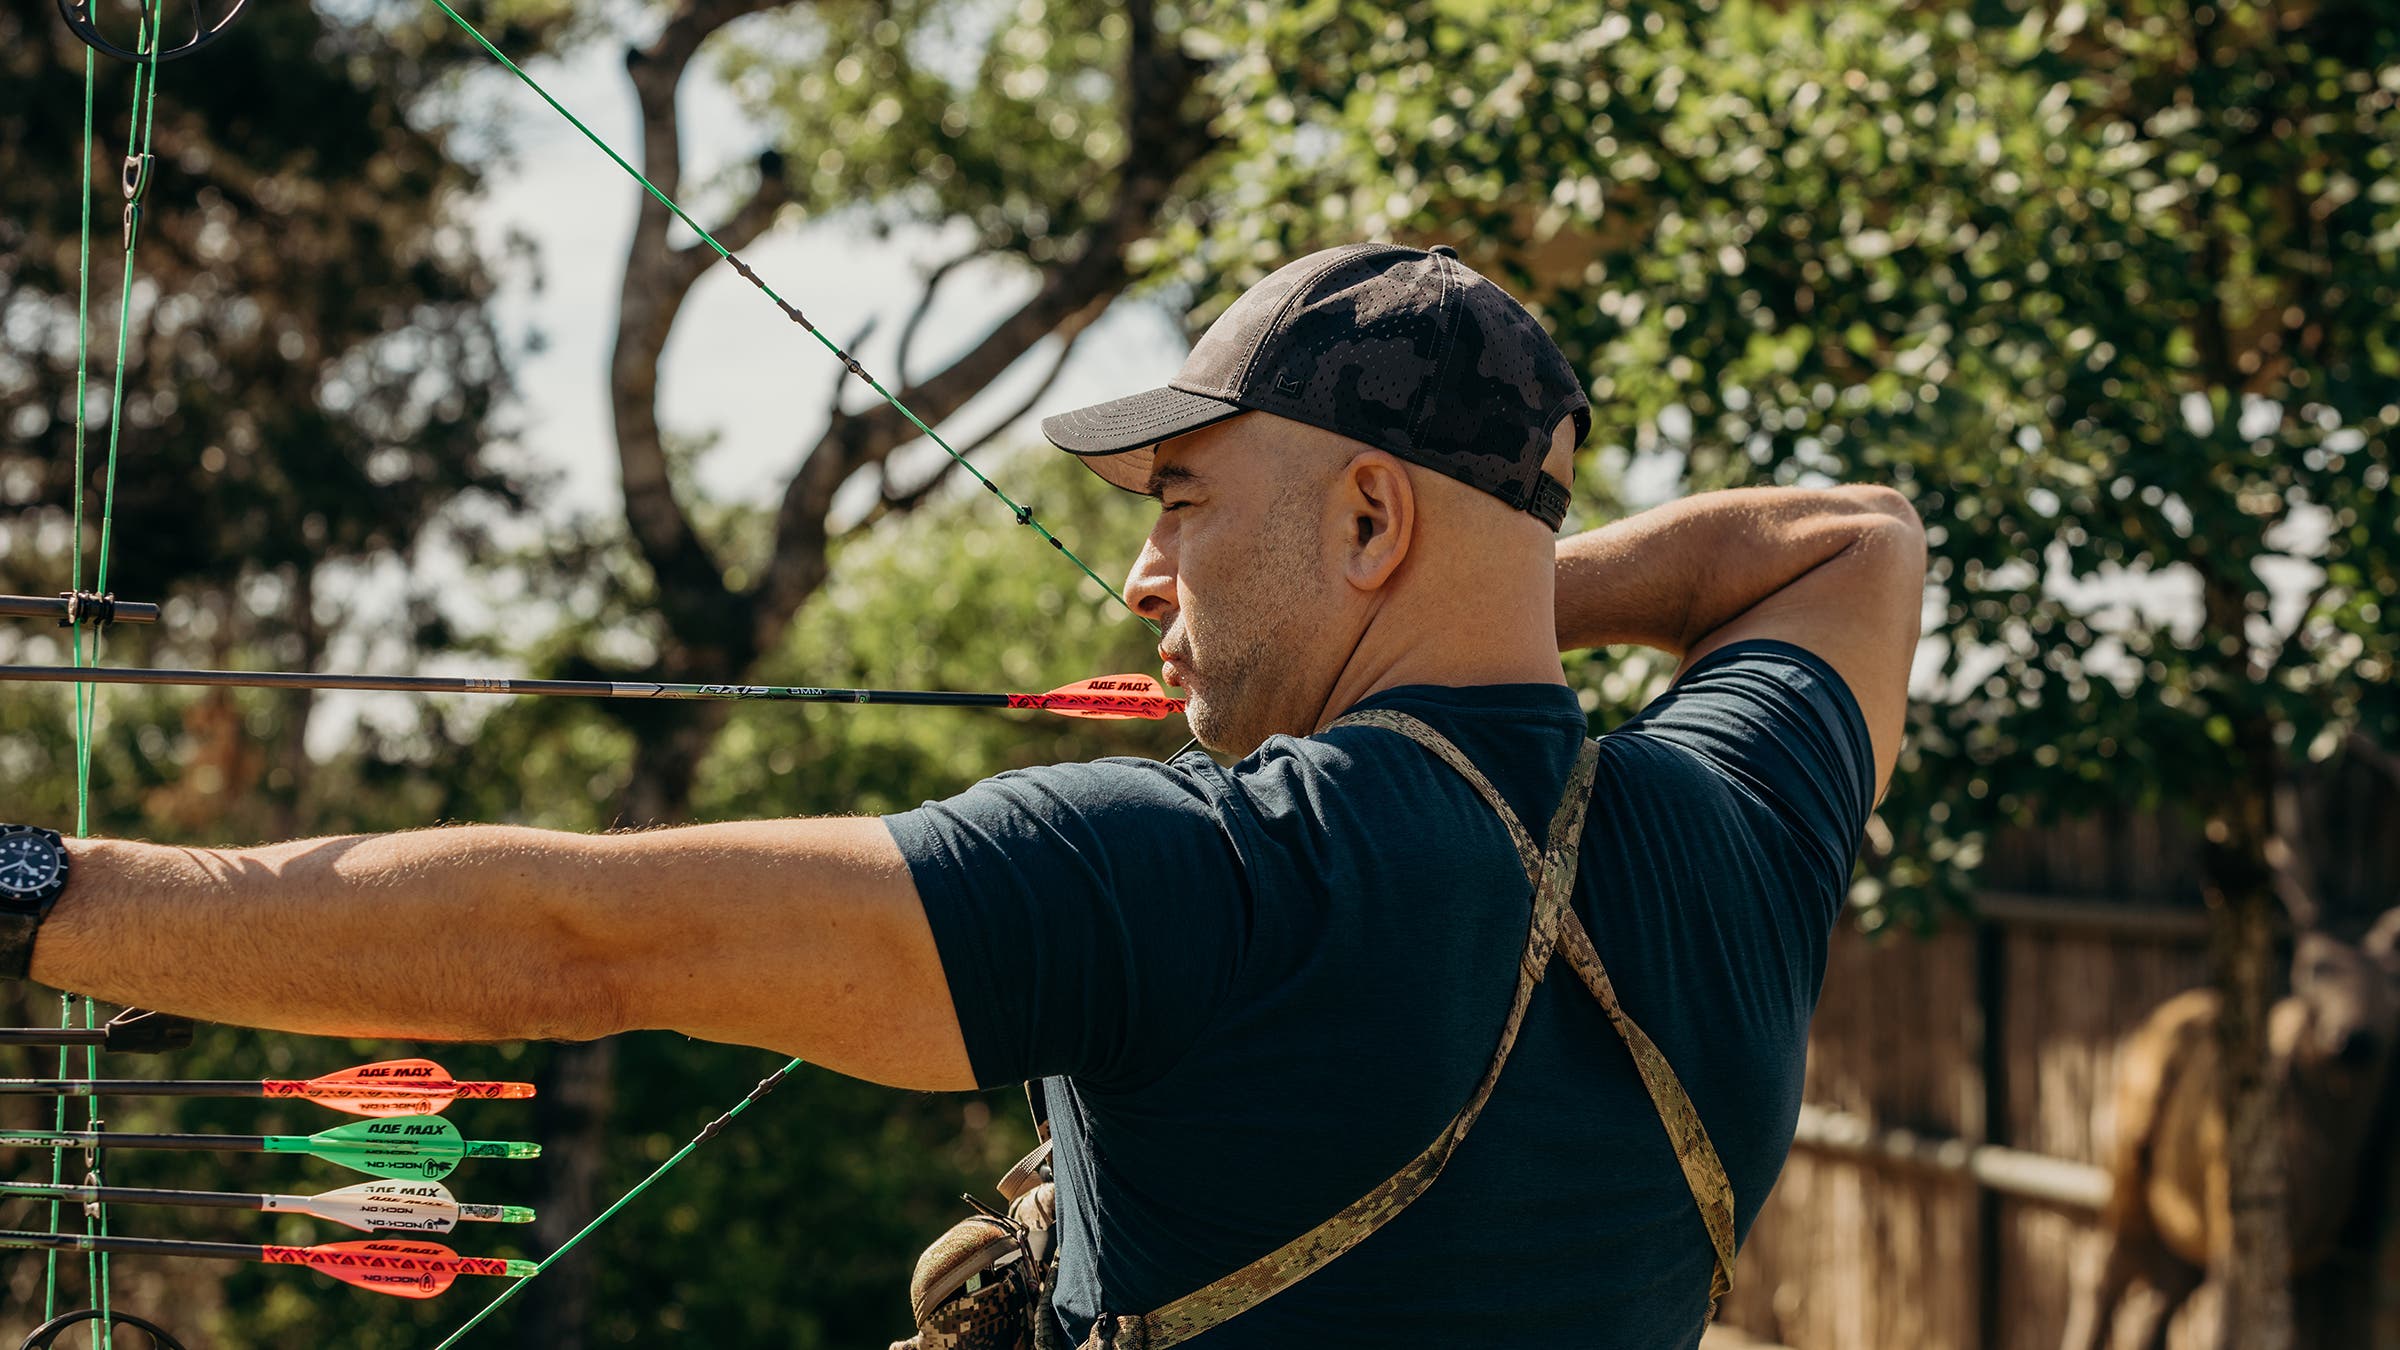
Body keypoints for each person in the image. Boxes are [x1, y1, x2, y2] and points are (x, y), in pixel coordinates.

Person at [6, 242, 1925, 1348]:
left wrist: (39, 887)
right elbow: (1853, 538)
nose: (1139, 580)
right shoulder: (1728, 838)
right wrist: (1481, 598)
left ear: (1364, 512)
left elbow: (576, 934)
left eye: (1181, 504)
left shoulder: (1217, 878)